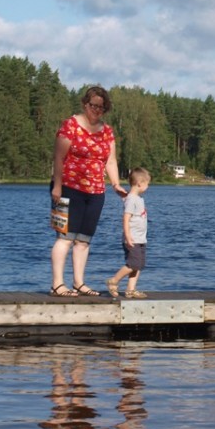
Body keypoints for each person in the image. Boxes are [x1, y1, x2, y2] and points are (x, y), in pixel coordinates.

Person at [49, 86, 128, 297]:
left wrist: (116, 183)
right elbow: (58, 157)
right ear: (85, 104)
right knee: (64, 237)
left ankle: (79, 283)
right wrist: (57, 186)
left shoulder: (107, 131)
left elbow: (110, 160)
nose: (96, 110)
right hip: (67, 188)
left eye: (101, 107)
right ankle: (57, 284)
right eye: (93, 105)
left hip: (95, 192)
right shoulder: (70, 125)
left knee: (83, 240)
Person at [105, 167, 151, 299]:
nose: (148, 187)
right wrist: (128, 236)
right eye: (147, 184)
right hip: (132, 239)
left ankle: (131, 289)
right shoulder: (132, 199)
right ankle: (114, 280)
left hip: (140, 239)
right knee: (133, 264)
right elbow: (126, 218)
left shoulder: (136, 198)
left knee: (139, 265)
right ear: (140, 183)